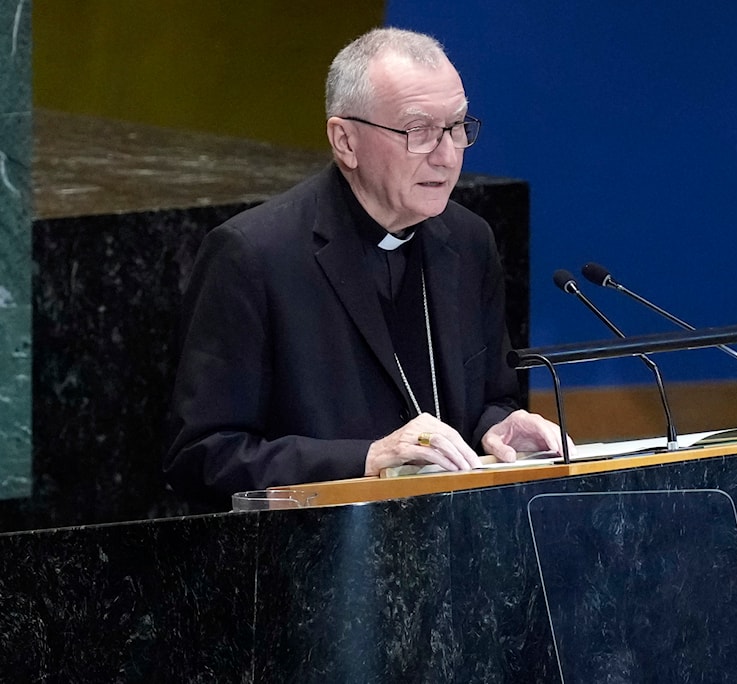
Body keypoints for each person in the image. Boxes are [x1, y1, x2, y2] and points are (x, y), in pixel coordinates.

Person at [164, 27, 571, 502]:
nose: (447, 155)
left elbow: (487, 400)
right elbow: (203, 458)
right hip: (316, 560)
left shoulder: (468, 240)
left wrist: (500, 427)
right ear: (346, 141)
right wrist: (367, 460)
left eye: (457, 127)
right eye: (419, 132)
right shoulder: (253, 256)